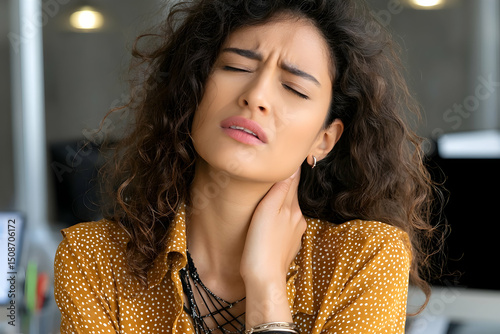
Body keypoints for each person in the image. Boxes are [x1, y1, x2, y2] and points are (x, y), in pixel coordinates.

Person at [54, 0, 443, 333]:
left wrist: (266, 284)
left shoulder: (364, 258)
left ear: (323, 139)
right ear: (194, 91)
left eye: (293, 88)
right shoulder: (93, 260)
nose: (256, 96)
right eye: (237, 67)